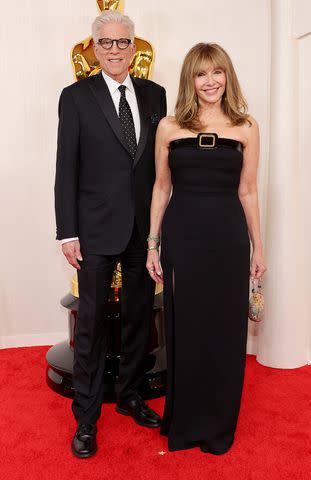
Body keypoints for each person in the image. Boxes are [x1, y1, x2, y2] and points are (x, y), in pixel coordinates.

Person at [54, 10, 167, 458]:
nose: (115, 50)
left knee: (141, 318)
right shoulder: (76, 97)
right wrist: (68, 232)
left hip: (144, 231)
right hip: (95, 231)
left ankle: (132, 395)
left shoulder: (156, 94)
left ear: (134, 48)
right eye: (107, 43)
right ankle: (85, 418)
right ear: (94, 48)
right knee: (93, 327)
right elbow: (66, 168)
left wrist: (163, 229)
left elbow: (161, 168)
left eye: (123, 43)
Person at [146, 43, 267, 454]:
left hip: (228, 239)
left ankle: (218, 427)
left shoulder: (246, 126)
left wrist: (258, 248)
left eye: (217, 72)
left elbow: (248, 192)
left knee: (223, 330)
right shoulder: (169, 126)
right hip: (183, 238)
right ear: (190, 80)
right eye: (201, 74)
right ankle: (185, 421)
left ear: (227, 76)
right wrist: (152, 244)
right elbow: (161, 188)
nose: (210, 81)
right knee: (186, 328)